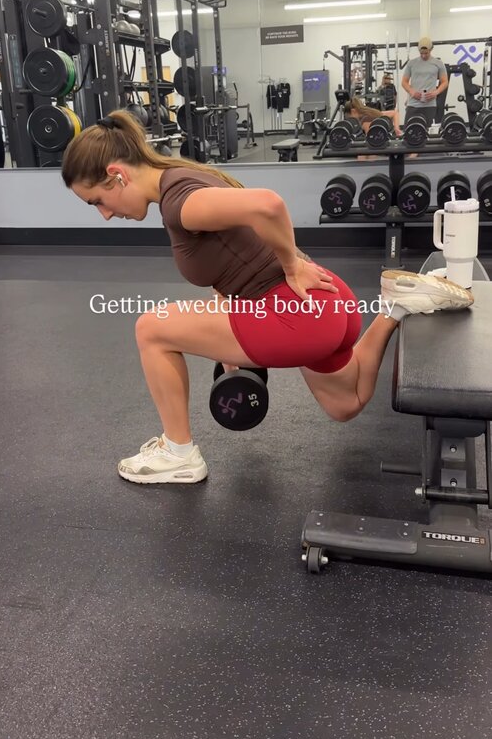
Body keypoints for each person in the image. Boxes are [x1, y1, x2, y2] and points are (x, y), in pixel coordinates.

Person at [62, 110, 473, 485]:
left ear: (117, 175)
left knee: (151, 328)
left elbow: (268, 205)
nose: (105, 213)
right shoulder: (184, 177)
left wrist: (290, 264)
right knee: (345, 404)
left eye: (97, 201)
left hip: (294, 314)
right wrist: (228, 334)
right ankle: (395, 308)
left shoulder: (179, 203)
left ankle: (178, 454)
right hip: (326, 301)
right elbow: (233, 257)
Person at [401, 37, 448, 129]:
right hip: (413, 104)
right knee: (409, 130)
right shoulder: (411, 63)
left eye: (426, 53)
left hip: (429, 105)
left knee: (427, 132)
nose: (423, 56)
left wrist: (436, 92)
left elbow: (445, 82)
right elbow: (404, 82)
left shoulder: (438, 63)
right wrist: (412, 92)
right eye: (421, 53)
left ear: (431, 50)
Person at [344, 95, 403, 160]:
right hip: (388, 139)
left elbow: (371, 143)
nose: (351, 120)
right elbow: (395, 113)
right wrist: (397, 128)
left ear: (353, 111)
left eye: (349, 117)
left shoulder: (365, 121)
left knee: (362, 154)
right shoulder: (370, 112)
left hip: (386, 143)